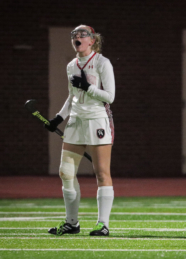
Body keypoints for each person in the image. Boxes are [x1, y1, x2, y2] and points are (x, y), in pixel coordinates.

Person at [45, 24, 115, 236]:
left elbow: (110, 96)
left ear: (92, 40)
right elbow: (72, 96)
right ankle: (72, 223)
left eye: (83, 34)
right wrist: (59, 117)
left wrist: (88, 88)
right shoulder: (71, 65)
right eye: (75, 34)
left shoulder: (102, 63)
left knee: (101, 173)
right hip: (75, 120)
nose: (78, 36)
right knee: (66, 172)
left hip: (97, 120)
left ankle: (103, 224)